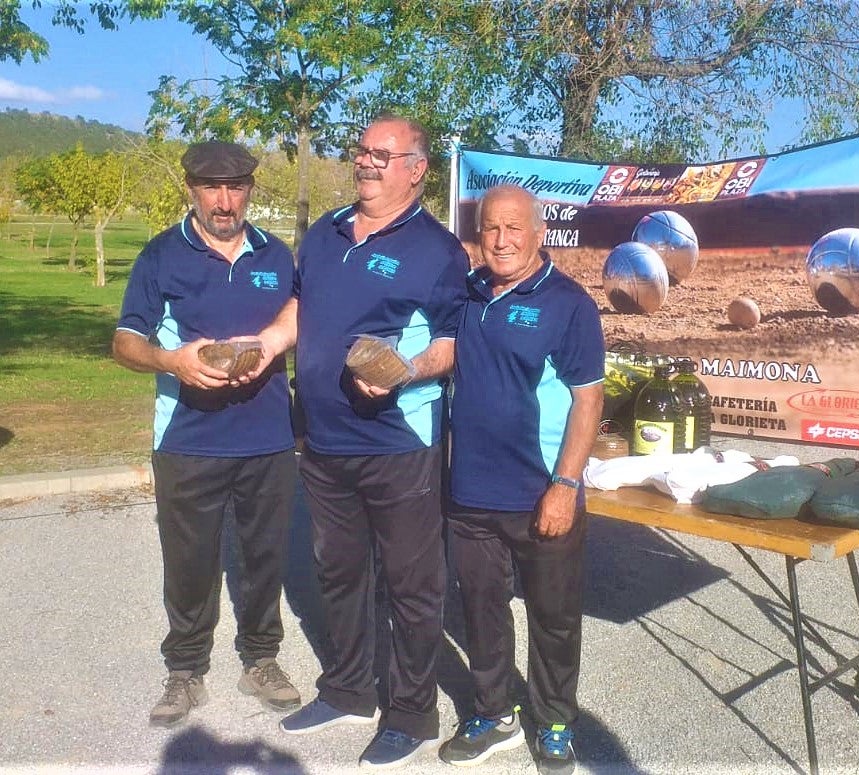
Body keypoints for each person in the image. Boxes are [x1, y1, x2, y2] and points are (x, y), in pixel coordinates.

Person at [249, 114, 470, 770]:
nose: (366, 162)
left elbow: (452, 342)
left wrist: (405, 369)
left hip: (400, 443)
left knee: (411, 583)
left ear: (416, 169)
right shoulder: (326, 231)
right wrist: (265, 343)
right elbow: (300, 306)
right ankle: (349, 690)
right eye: (362, 150)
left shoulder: (437, 250)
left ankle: (411, 713)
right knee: (338, 570)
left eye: (382, 154)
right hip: (324, 439)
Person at [112, 140, 301, 728]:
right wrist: (172, 361)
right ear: (192, 190)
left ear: (250, 190)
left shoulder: (277, 255)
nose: (224, 201)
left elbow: (299, 310)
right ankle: (185, 669)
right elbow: (125, 342)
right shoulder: (161, 255)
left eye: (235, 187)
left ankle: (261, 660)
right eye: (211, 188)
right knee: (189, 561)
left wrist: (273, 338)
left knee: (265, 558)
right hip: (188, 440)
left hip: (268, 437)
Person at [439, 185, 604, 775]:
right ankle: (494, 713)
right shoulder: (468, 294)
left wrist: (565, 485)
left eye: (514, 228)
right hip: (470, 491)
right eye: (491, 228)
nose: (502, 240)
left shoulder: (568, 304)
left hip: (542, 492)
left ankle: (555, 721)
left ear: (539, 233)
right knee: (480, 609)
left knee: (553, 617)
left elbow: (588, 400)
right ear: (478, 234)